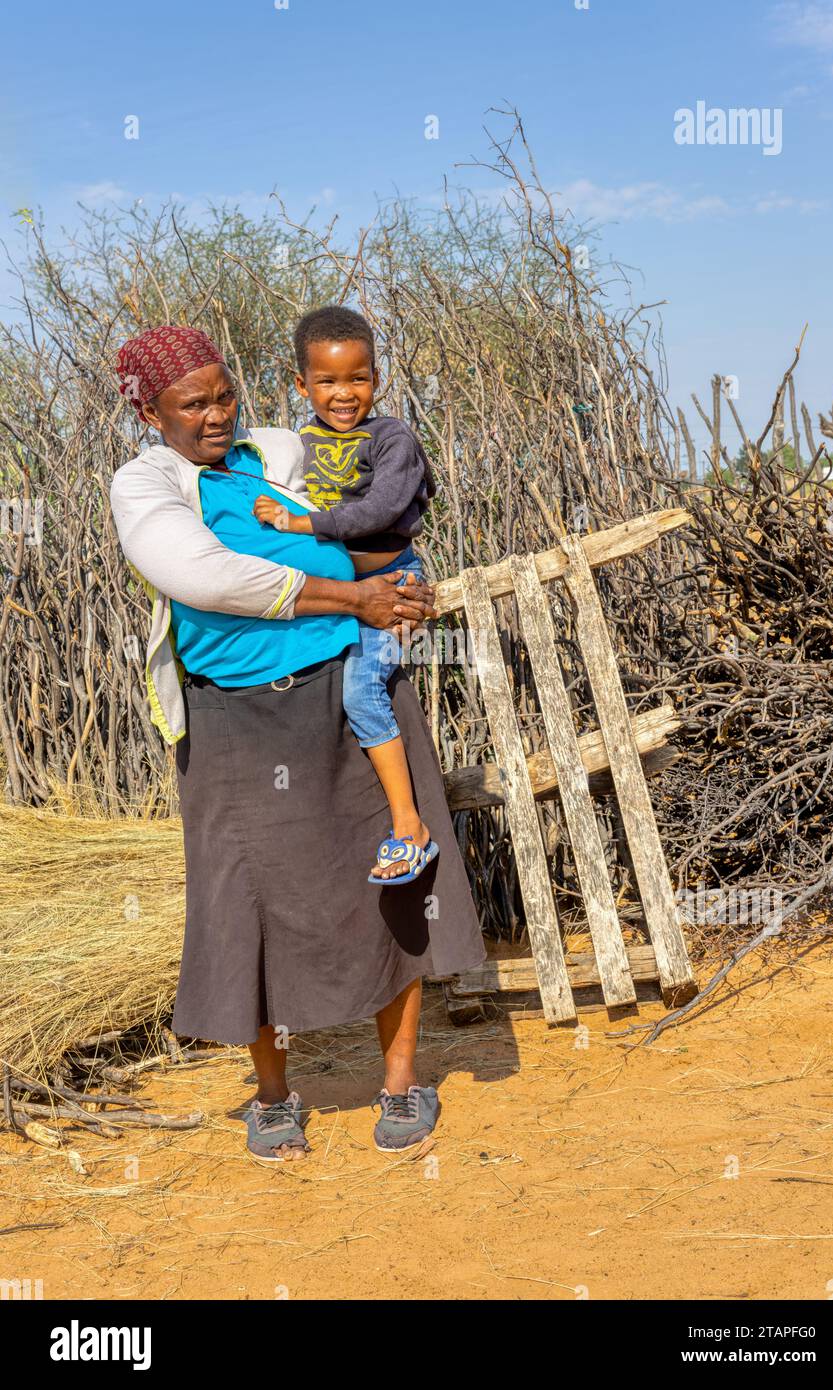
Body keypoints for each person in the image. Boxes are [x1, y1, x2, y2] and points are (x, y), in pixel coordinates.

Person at [110, 324, 487, 1162]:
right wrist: (353, 598)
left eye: (223, 393)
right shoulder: (145, 486)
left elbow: (379, 506)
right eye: (191, 403)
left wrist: (395, 583)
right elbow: (205, 575)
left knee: (394, 876)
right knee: (246, 900)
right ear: (148, 410)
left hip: (348, 692)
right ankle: (273, 1095)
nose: (215, 415)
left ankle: (401, 1082)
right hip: (234, 718)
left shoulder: (277, 449)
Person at [252, 305, 438, 886]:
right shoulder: (293, 446)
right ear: (300, 383)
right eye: (327, 381)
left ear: (377, 379)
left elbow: (382, 511)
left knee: (361, 690)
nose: (343, 393)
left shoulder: (391, 439)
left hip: (391, 583)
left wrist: (301, 526)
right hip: (338, 592)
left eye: (358, 378)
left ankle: (410, 827)